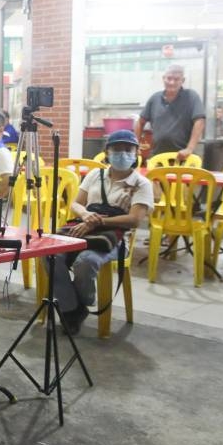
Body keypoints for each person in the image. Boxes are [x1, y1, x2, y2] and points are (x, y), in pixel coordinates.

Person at [57, 129, 153, 335]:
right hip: (83, 227)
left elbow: (134, 219)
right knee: (49, 256)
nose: (122, 154)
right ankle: (73, 306)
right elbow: (76, 203)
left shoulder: (141, 184)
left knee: (86, 261)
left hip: (115, 238)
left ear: (137, 152)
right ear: (107, 152)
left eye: (128, 149)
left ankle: (79, 303)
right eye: (116, 149)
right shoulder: (94, 175)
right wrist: (85, 215)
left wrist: (97, 221)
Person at [135, 64, 205, 160]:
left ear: (182, 80)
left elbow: (199, 121)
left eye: (176, 79)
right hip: (157, 157)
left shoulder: (191, 97)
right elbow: (140, 122)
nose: (172, 82)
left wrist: (189, 148)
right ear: (163, 78)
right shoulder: (154, 99)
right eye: (169, 78)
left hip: (183, 157)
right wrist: (135, 145)